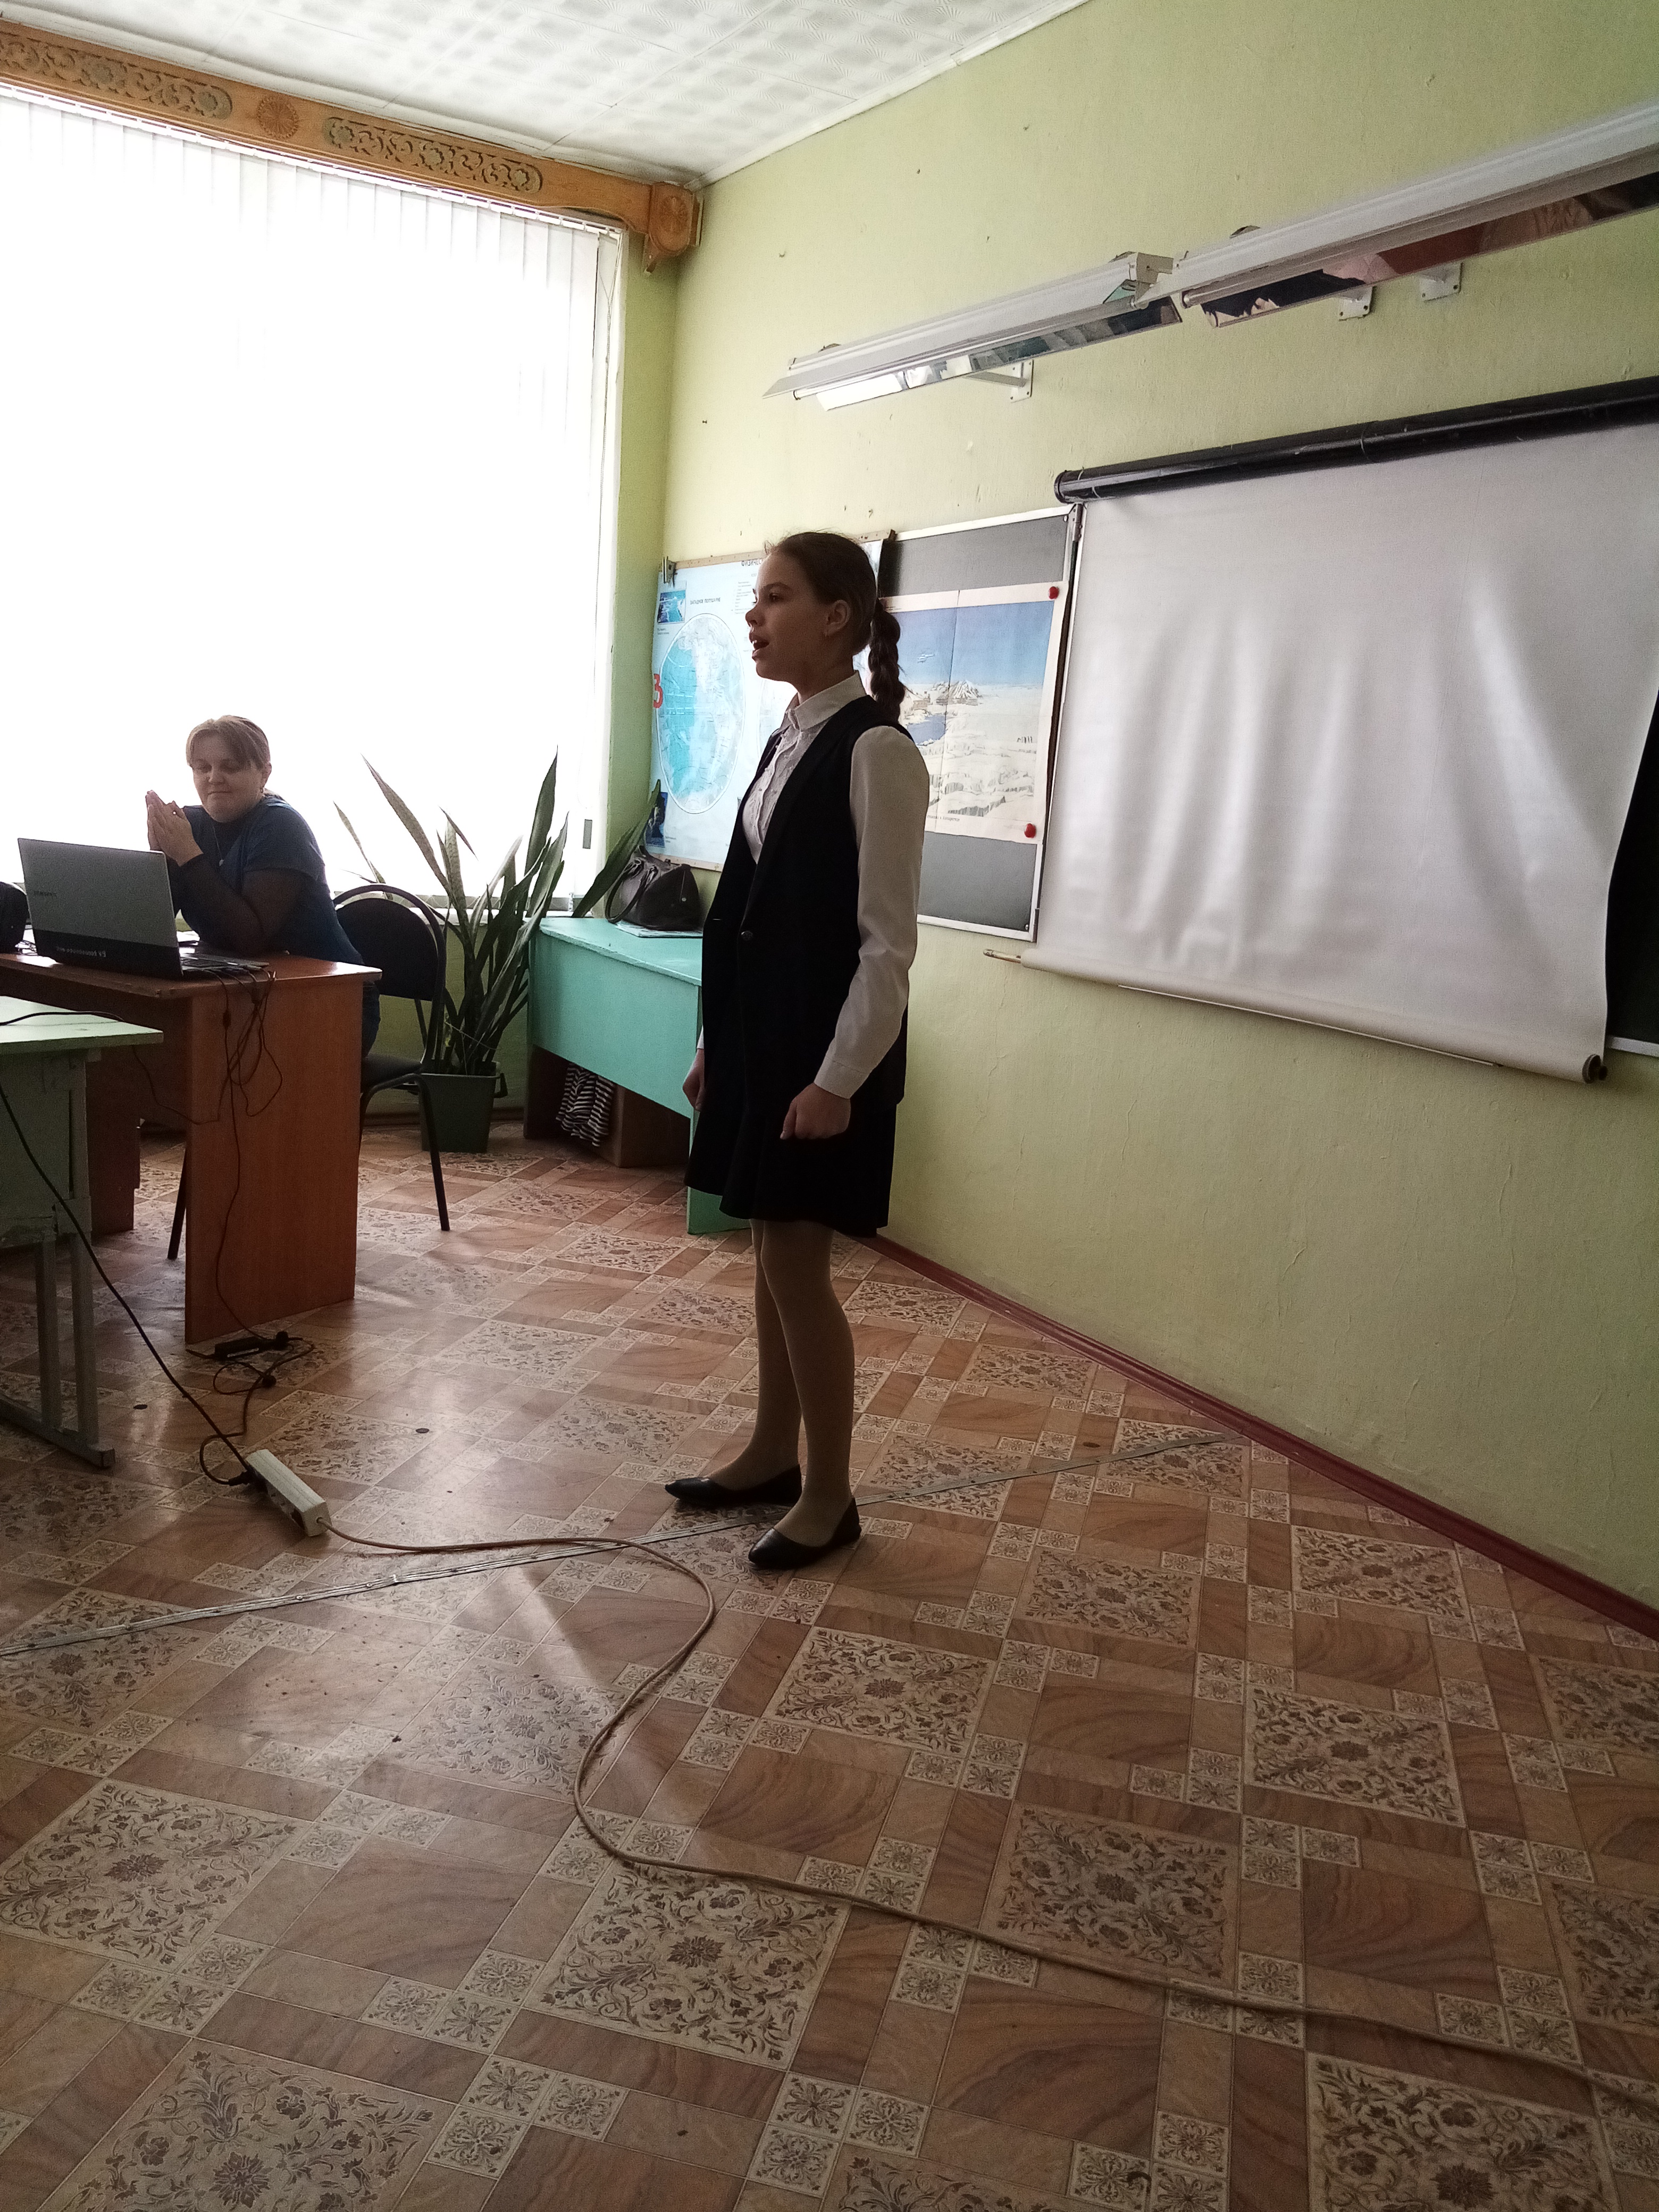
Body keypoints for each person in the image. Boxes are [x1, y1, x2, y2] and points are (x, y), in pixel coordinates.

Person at [667, 533, 929, 1571]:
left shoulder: (876, 751)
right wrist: (714, 1044)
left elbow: (886, 948)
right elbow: (748, 913)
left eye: (775, 597)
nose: (754, 616)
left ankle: (830, 1496)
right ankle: (772, 1453)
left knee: (796, 1265)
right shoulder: (789, 735)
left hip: (824, 1064)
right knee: (772, 1257)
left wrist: (836, 1082)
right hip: (762, 1047)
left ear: (836, 615)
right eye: (756, 598)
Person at [144, 714, 379, 1051]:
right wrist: (161, 861)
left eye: (231, 767)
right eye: (202, 768)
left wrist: (188, 856)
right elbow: (152, 932)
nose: (214, 778)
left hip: (332, 997)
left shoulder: (281, 826)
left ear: (264, 773)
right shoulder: (190, 824)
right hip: (239, 991)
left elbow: (250, 938)